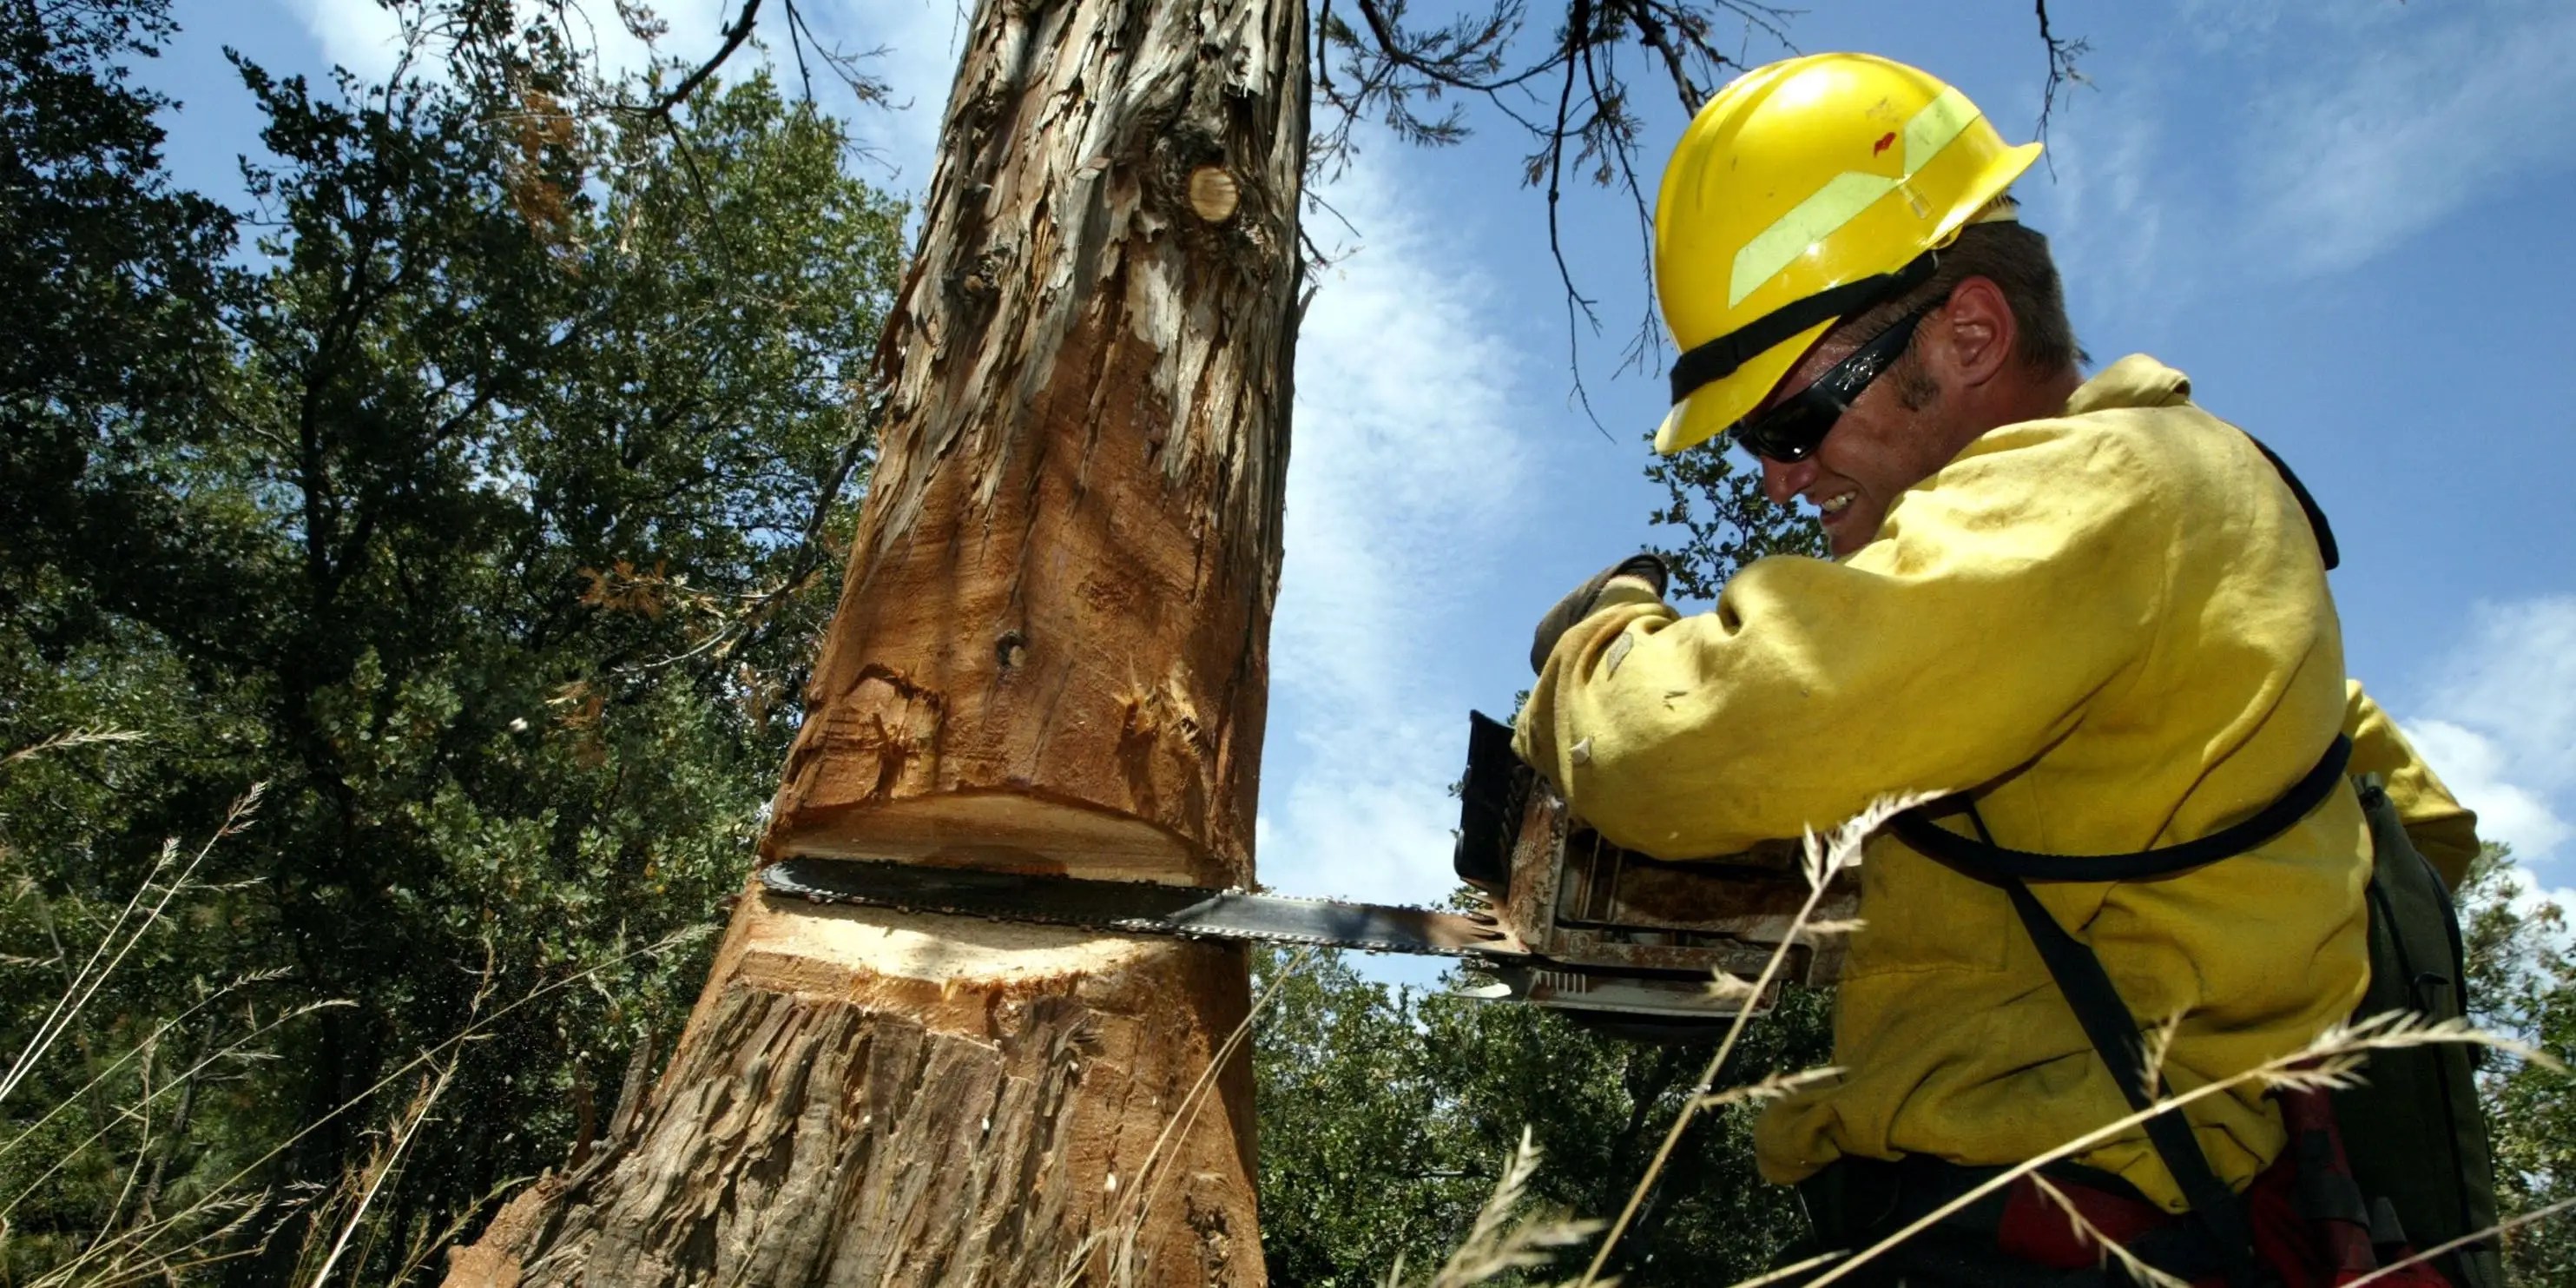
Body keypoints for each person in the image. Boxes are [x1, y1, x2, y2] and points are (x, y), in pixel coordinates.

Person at [1513, 53, 2485, 1285]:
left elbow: (1668, 746)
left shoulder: (2109, 490)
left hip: (2050, 1236)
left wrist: (1593, 645)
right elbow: (2422, 826)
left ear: (1971, 332)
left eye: (1788, 421)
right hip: (2167, 1217)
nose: (1776, 476)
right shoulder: (2178, 543)